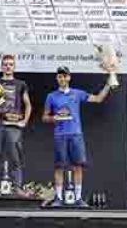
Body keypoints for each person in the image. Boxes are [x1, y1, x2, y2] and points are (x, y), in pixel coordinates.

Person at [42, 66, 111, 207]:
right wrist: (53, 118)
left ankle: (78, 198)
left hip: (76, 134)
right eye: (60, 76)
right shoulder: (51, 96)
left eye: (64, 76)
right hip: (60, 135)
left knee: (78, 166)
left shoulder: (77, 93)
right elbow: (44, 117)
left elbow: (98, 99)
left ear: (69, 77)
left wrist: (108, 85)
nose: (62, 78)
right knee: (59, 167)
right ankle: (58, 198)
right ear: (57, 78)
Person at [0, 54, 32, 196]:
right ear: (1, 67)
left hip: (14, 124)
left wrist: (24, 121)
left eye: (10, 64)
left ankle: (17, 187)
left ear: (14, 67)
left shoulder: (21, 84)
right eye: (5, 64)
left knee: (16, 157)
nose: (8, 67)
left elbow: (28, 105)